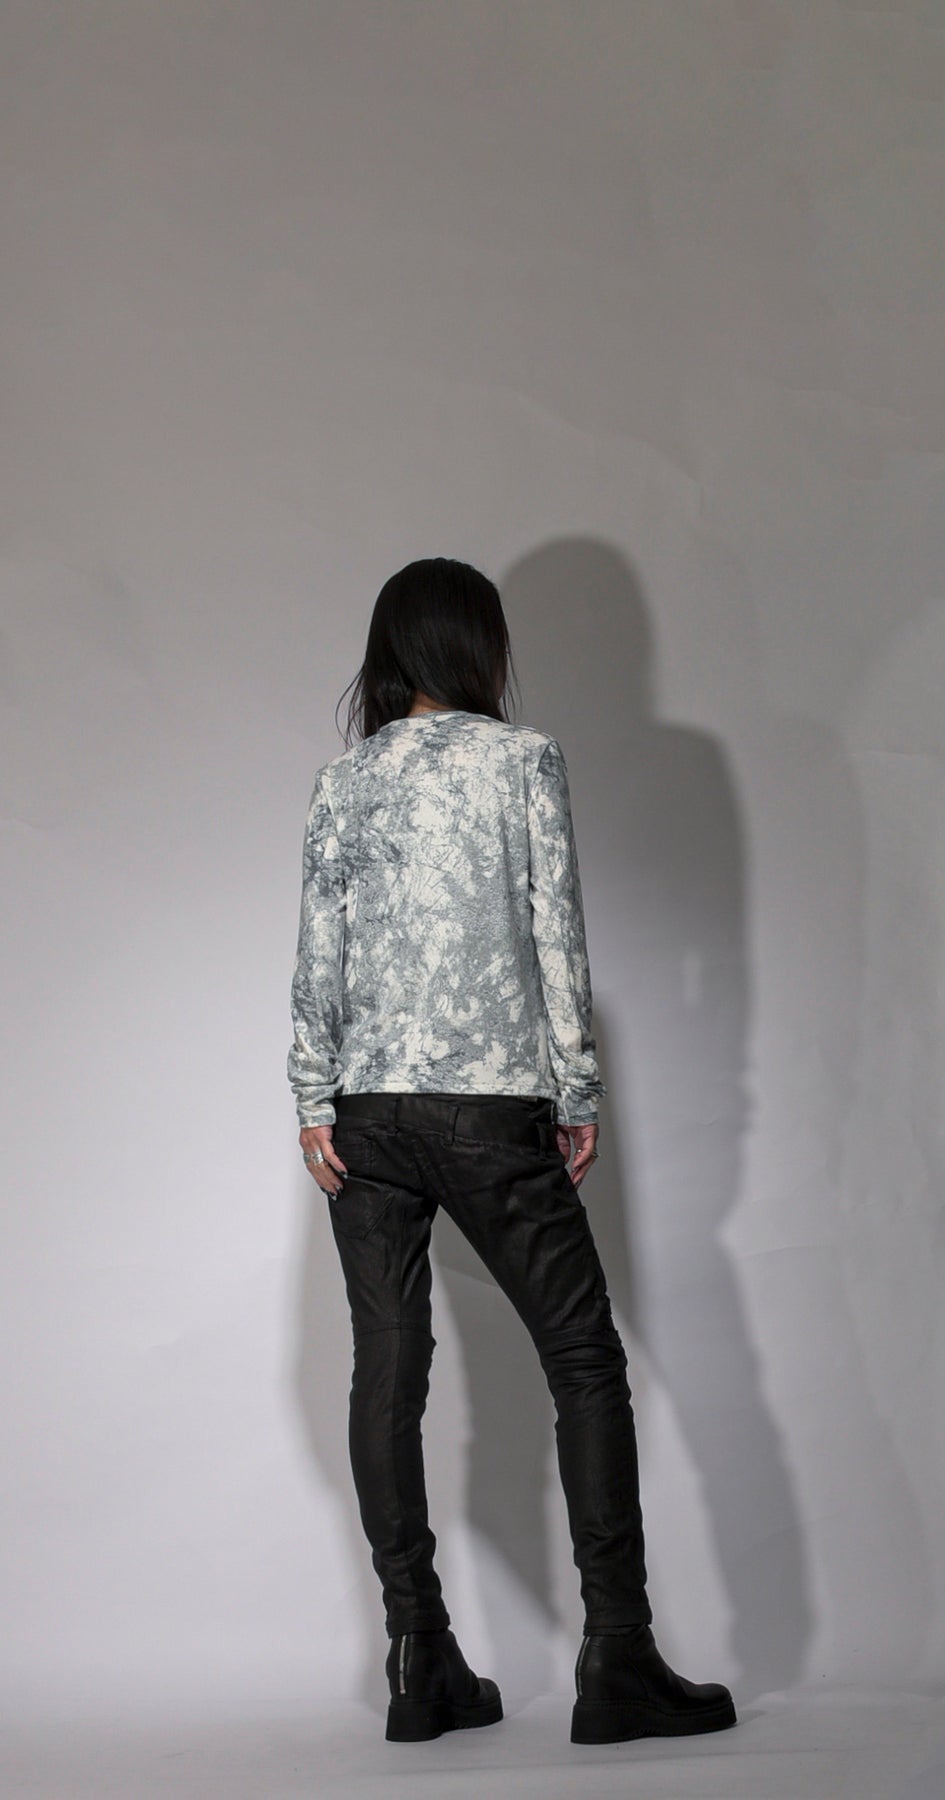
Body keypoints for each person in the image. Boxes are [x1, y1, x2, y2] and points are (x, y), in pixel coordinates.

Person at [286, 557, 737, 1747]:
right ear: (478, 648)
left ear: (390, 652)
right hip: (490, 1107)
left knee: (386, 1371)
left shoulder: (343, 782)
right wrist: (576, 1088)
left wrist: (312, 1098)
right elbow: (554, 935)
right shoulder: (522, 761)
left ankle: (417, 1658)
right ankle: (617, 1658)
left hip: (366, 1115)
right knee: (582, 1360)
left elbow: (318, 951)